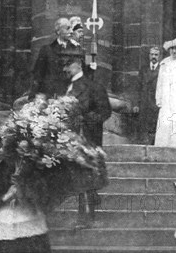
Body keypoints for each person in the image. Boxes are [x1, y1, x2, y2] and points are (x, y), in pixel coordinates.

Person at [0, 132, 51, 253]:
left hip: (27, 212)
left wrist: (23, 187)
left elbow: (39, 188)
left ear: (3, 147)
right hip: (3, 216)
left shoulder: (20, 161)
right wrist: (6, 196)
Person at [64, 53, 112, 229]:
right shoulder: (67, 87)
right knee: (79, 177)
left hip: (87, 137)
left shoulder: (92, 86)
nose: (65, 69)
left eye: (68, 65)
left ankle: (86, 217)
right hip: (71, 138)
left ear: (77, 65)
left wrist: (85, 120)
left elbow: (105, 111)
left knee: (87, 176)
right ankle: (84, 214)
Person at [31, 17, 83, 98]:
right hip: (50, 96)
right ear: (58, 31)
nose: (71, 31)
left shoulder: (77, 49)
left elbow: (83, 76)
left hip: (70, 96)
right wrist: (33, 96)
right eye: (67, 28)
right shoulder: (46, 50)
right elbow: (38, 75)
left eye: (71, 29)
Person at [133, 46, 162, 144]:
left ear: (159, 56)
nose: (154, 57)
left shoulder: (162, 70)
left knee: (154, 126)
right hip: (144, 102)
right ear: (149, 56)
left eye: (156, 55)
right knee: (143, 126)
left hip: (155, 102)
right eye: (152, 54)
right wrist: (136, 104)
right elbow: (137, 87)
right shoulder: (143, 69)